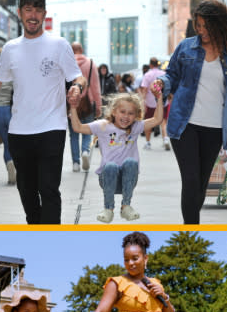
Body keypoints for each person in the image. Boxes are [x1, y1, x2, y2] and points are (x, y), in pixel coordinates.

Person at [0, 0, 86, 224]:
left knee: (49, 189)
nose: (32, 15)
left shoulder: (59, 45)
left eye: (37, 10)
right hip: (19, 132)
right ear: (19, 13)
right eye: (28, 10)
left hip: (52, 129)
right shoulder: (11, 49)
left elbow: (78, 77)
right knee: (27, 192)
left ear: (44, 13)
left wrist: (77, 88)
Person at [155, 0, 227, 224]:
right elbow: (172, 75)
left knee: (200, 184)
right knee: (191, 180)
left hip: (215, 128)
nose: (201, 31)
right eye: (198, 26)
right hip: (185, 125)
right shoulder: (186, 47)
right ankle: (190, 228)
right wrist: (162, 84)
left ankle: (192, 222)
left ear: (219, 24)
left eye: (205, 26)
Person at [69, 88, 164, 223]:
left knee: (131, 162)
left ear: (136, 115)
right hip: (108, 178)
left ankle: (126, 206)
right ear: (114, 112)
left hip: (128, 178)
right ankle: (108, 209)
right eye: (122, 112)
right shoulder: (102, 126)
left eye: (131, 113)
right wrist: (73, 108)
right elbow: (78, 127)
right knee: (111, 166)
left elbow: (157, 119)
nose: (126, 116)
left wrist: (159, 98)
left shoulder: (135, 127)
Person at [69, 42, 102, 173]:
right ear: (82, 49)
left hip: (71, 103)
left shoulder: (68, 63)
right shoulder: (91, 63)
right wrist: (98, 105)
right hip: (88, 102)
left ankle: (76, 163)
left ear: (71, 50)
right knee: (88, 130)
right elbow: (95, 86)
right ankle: (85, 152)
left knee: (73, 134)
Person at [0, 47, 17, 185]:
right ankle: (14, 163)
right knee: (14, 143)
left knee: (6, 142)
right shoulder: (13, 76)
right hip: (10, 111)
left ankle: (9, 163)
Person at [138, 58, 171, 151]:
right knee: (164, 121)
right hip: (162, 101)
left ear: (150, 65)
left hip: (150, 102)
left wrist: (142, 102)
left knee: (148, 122)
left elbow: (144, 89)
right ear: (157, 64)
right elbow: (168, 88)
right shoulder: (163, 74)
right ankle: (165, 139)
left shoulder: (147, 75)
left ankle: (148, 143)